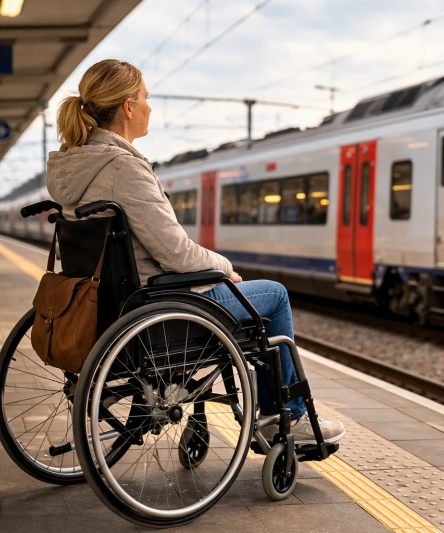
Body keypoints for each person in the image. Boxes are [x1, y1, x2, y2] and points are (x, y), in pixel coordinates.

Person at [47, 59, 344, 446]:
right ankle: (284, 417)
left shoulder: (72, 167)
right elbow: (176, 254)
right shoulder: (124, 169)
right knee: (273, 296)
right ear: (128, 107)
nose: (150, 106)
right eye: (146, 98)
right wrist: (224, 268)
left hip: (103, 306)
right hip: (159, 304)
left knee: (255, 299)